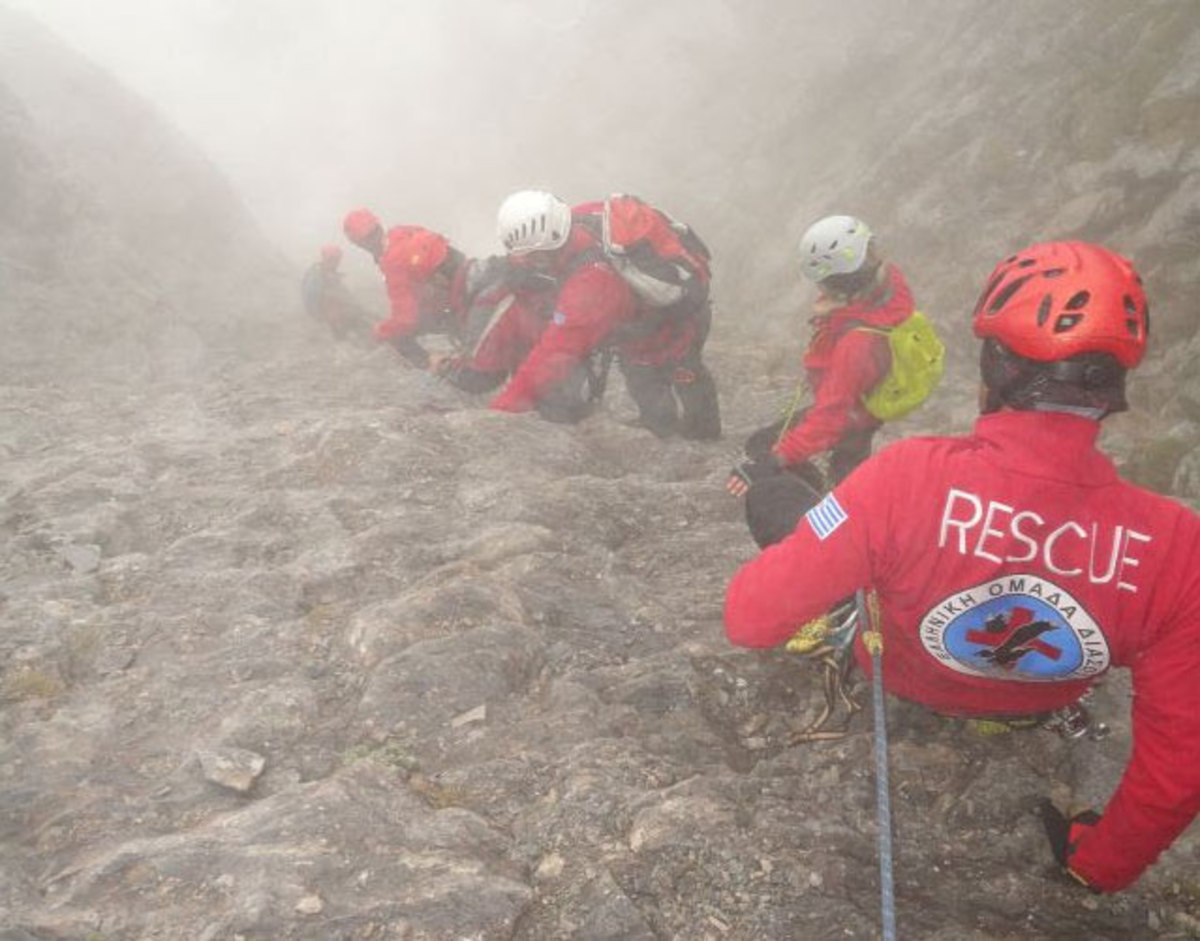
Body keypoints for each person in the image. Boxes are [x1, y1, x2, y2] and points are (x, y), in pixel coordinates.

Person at [723, 240, 1200, 893]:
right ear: (1110, 391)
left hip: (901, 673)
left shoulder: (901, 475)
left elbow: (749, 617)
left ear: (993, 368)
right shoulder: (1178, 546)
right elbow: (1181, 764)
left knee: (775, 495)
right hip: (1040, 698)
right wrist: (1100, 862)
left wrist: (841, 537)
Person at [488, 190, 722, 438]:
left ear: (544, 250)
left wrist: (501, 411)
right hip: (649, 319)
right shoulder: (580, 218)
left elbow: (555, 352)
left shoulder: (590, 279)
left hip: (674, 320)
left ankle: (702, 437)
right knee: (643, 375)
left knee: (681, 372)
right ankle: (663, 430)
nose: (528, 262)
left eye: (532, 257)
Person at [727, 214, 915, 499]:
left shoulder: (858, 343)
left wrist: (775, 460)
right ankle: (849, 505)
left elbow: (830, 419)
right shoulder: (885, 285)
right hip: (866, 406)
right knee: (849, 466)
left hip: (854, 412)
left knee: (764, 445)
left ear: (837, 283)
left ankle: (819, 506)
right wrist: (841, 308)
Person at [342, 208, 467, 369]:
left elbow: (405, 320)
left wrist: (381, 331)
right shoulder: (401, 232)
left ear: (358, 244)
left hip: (450, 301)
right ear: (378, 225)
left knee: (397, 336)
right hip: (463, 277)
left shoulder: (391, 262)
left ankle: (438, 366)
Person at [300, 244, 369, 341]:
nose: (335, 263)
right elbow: (311, 299)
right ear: (325, 258)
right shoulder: (316, 276)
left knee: (359, 314)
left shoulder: (328, 274)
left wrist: (355, 305)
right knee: (354, 319)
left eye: (337, 259)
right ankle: (344, 337)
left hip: (332, 312)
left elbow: (345, 293)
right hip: (327, 315)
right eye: (331, 259)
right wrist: (320, 317)